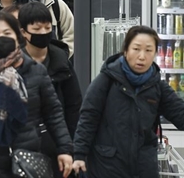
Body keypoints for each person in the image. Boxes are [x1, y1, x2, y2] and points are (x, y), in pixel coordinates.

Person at [0, 12, 74, 178]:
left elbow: (53, 113)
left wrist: (65, 149)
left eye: (7, 33)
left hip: (29, 160)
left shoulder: (36, 71)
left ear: (18, 36)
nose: (1, 38)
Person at [72, 26, 184, 178]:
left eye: (148, 50)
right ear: (125, 50)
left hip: (143, 166)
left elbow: (179, 113)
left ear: (155, 54)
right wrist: (79, 154)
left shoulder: (157, 86)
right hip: (107, 165)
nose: (142, 56)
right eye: (136, 49)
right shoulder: (107, 80)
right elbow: (88, 117)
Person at [18, 2, 82, 178]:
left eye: (47, 27)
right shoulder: (15, 64)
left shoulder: (61, 61)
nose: (43, 33)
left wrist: (70, 145)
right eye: (37, 29)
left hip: (58, 143)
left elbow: (73, 104)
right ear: (24, 32)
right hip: (25, 145)